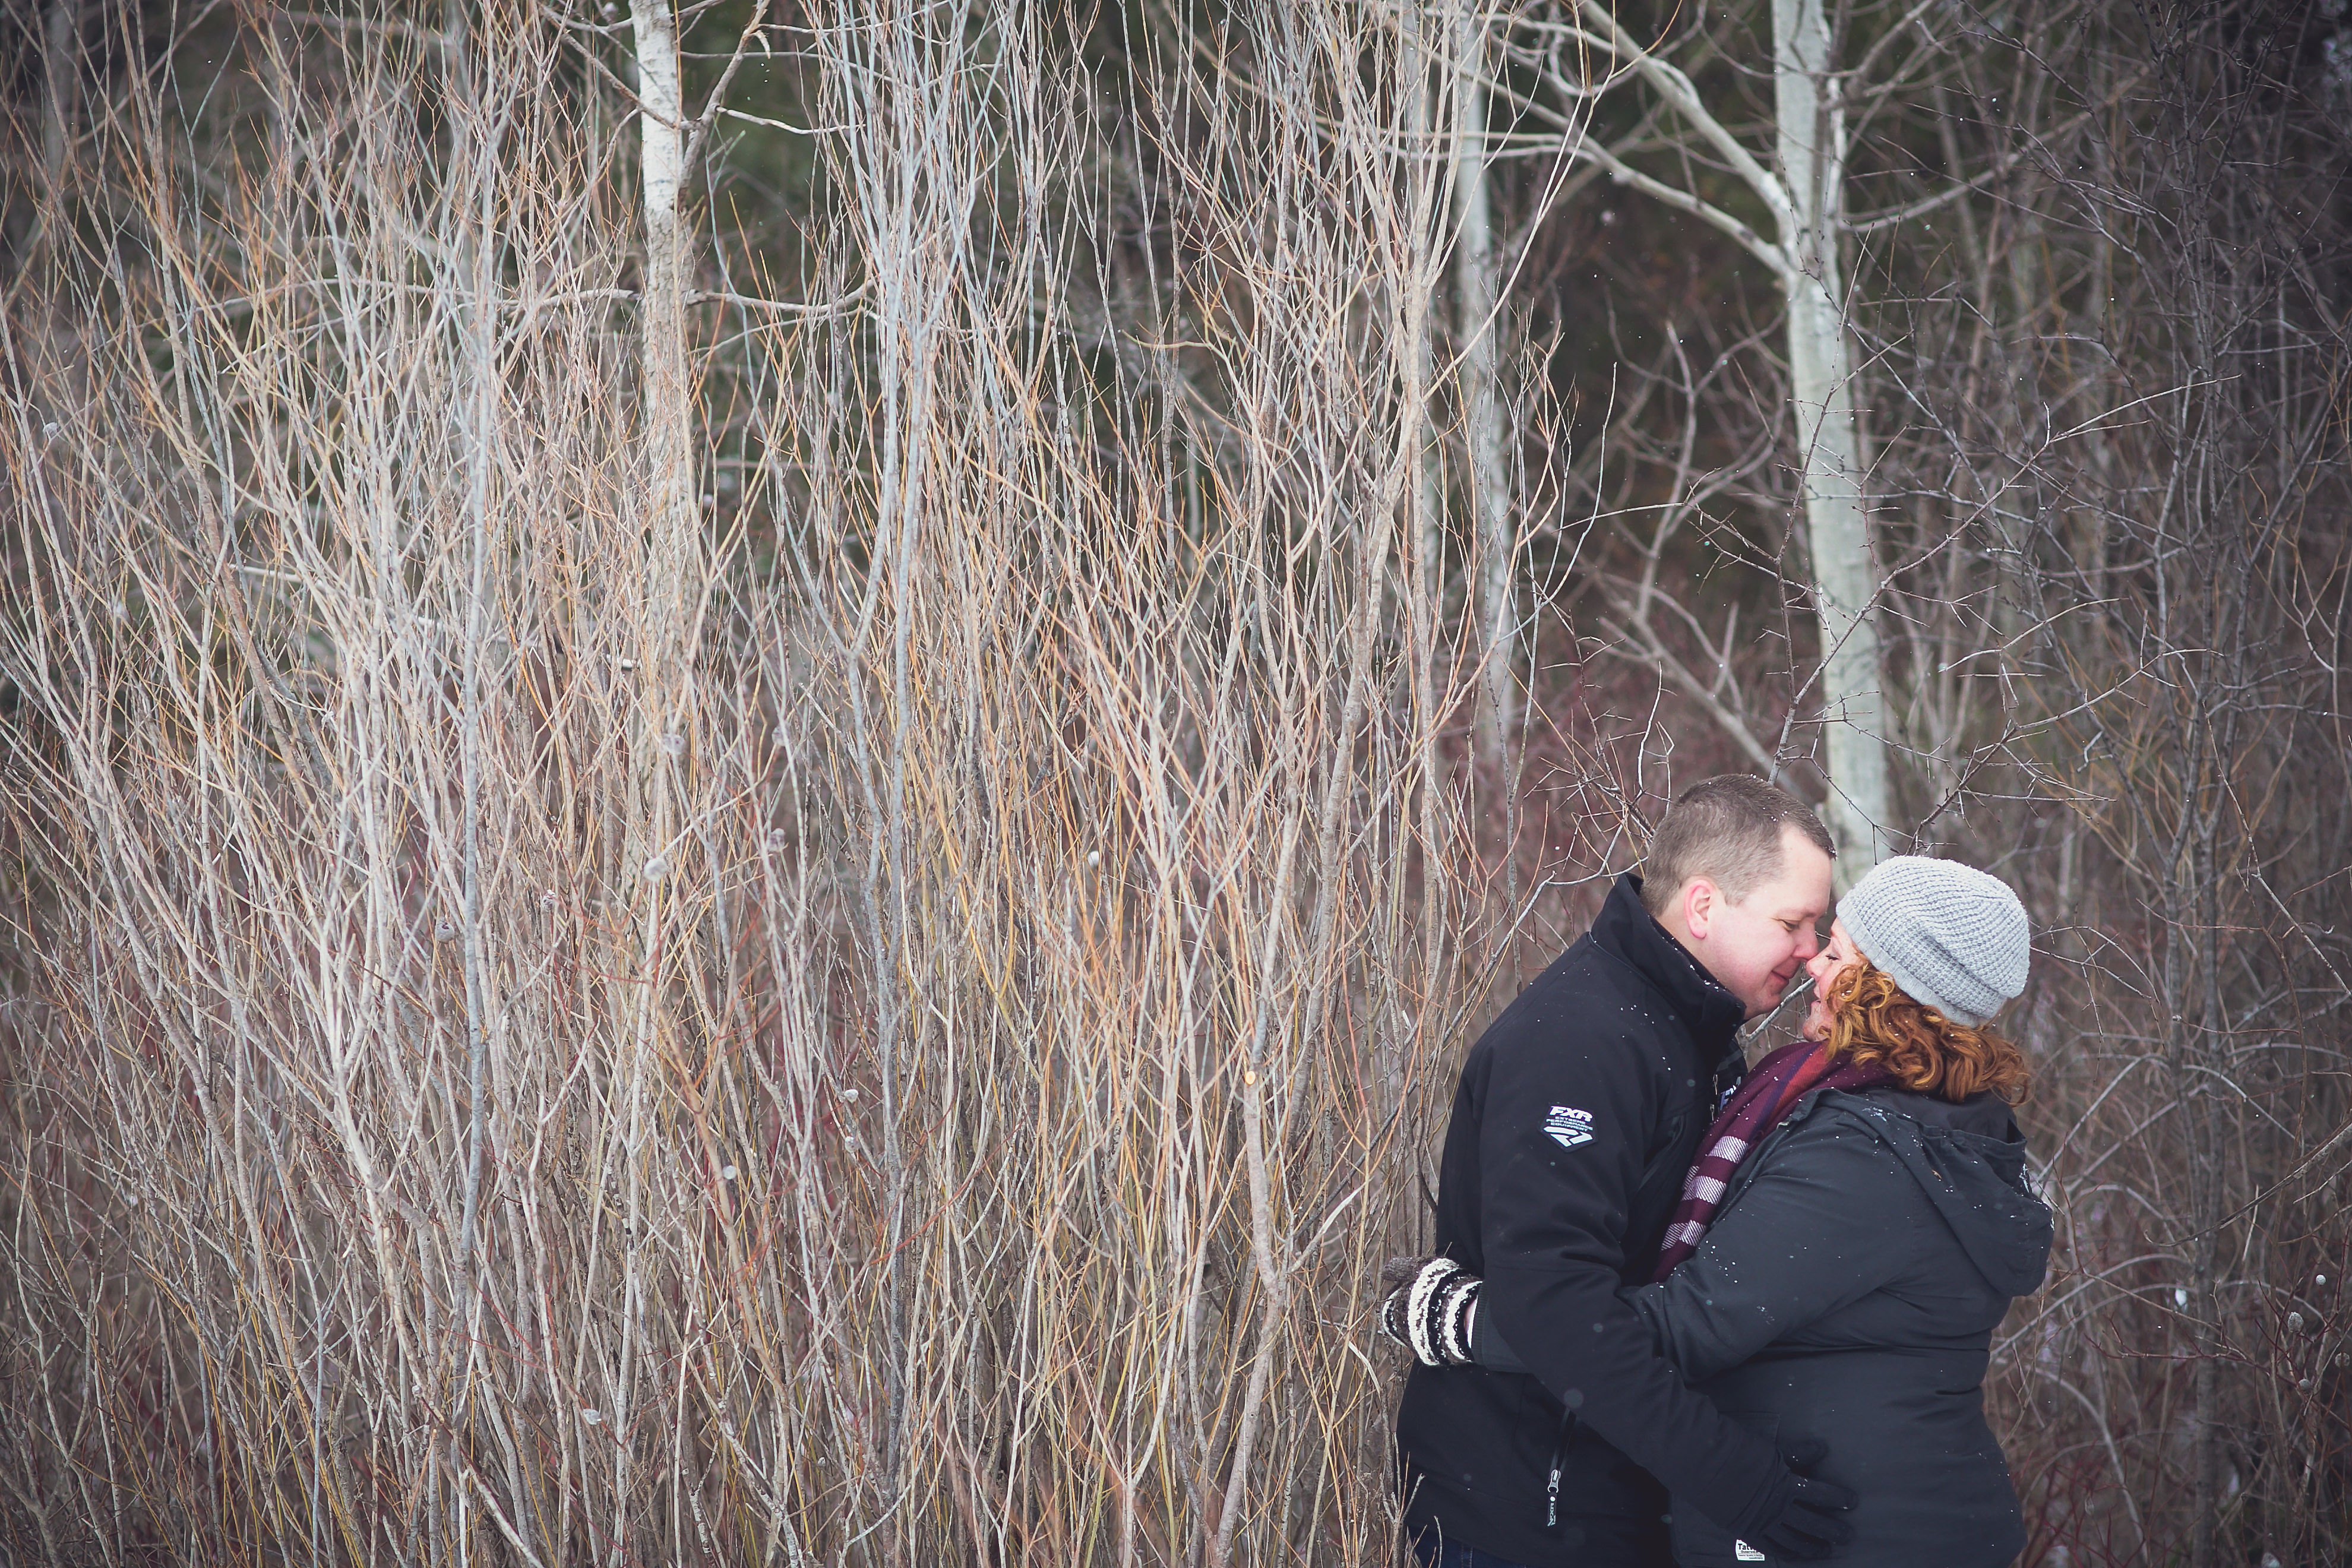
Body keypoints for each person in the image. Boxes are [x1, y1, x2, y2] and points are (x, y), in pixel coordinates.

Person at [1386, 855, 2051, 1568]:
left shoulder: (1866, 1157)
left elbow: (1686, 1326)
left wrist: (1468, 1322)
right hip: (1878, 1516)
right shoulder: (1921, 1126)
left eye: (1832, 951)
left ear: (1881, 989)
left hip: (1854, 1530)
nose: (1812, 967)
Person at [1389, 775, 1855, 1568]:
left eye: (1820, 926)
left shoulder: (1692, 1036)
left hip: (1616, 1508)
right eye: (1793, 922)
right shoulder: (1582, 1042)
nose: (1812, 951)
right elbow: (1556, 1309)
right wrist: (1740, 1482)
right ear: (1704, 907)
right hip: (1527, 1515)